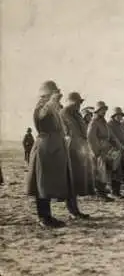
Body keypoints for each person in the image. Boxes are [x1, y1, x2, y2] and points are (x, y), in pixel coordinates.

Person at [26, 81, 70, 228]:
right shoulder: (41, 107)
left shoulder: (51, 107)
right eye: (54, 93)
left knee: (47, 184)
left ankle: (48, 216)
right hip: (45, 149)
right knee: (42, 185)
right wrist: (52, 101)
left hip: (52, 149)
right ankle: (43, 218)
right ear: (47, 94)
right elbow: (43, 117)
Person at [60, 92, 93, 219]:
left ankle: (75, 210)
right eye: (76, 102)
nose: (79, 105)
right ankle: (72, 211)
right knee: (70, 181)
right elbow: (64, 134)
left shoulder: (77, 114)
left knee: (76, 181)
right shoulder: (62, 114)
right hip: (69, 151)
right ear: (69, 102)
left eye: (80, 103)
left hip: (79, 150)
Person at [87, 101, 120, 202]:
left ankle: (105, 191)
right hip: (99, 150)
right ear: (97, 111)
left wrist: (117, 145)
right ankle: (100, 194)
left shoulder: (104, 123)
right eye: (102, 110)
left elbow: (111, 136)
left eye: (105, 110)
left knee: (108, 170)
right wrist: (97, 152)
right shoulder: (94, 122)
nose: (104, 112)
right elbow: (91, 138)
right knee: (100, 172)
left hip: (107, 149)